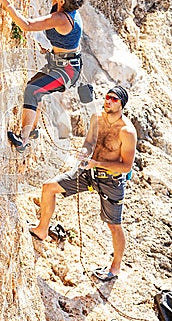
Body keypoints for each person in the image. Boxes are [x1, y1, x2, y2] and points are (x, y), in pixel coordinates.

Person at [29, 86, 137, 281]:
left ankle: (115, 268)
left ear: (121, 104)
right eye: (107, 97)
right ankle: (42, 230)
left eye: (113, 99)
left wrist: (97, 163)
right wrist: (85, 154)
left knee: (114, 225)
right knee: (49, 187)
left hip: (111, 182)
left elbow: (126, 166)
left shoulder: (127, 131)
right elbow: (89, 142)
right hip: (88, 172)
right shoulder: (97, 118)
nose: (108, 101)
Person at [0, 0, 87, 152]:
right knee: (35, 89)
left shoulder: (62, 19)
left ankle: (24, 140)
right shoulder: (63, 2)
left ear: (63, 2)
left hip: (67, 69)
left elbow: (26, 25)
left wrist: (6, 3)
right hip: (60, 60)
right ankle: (32, 129)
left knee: (33, 90)